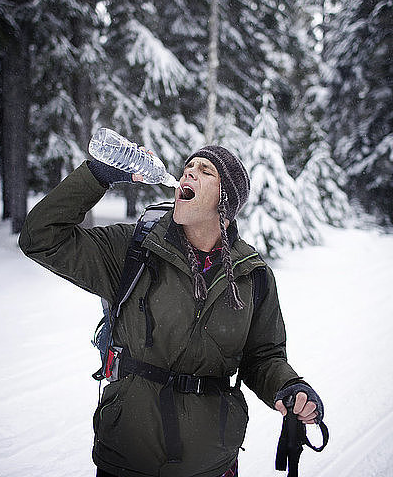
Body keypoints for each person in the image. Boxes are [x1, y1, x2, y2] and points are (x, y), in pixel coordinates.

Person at [19, 144, 324, 477]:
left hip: (211, 462)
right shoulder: (133, 249)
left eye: (206, 171)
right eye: (188, 166)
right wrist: (98, 175)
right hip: (126, 457)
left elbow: (263, 356)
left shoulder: (252, 275)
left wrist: (289, 386)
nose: (188, 172)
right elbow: (40, 237)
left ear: (226, 201)